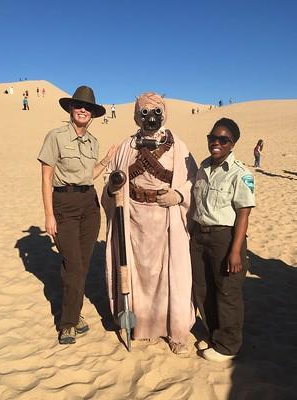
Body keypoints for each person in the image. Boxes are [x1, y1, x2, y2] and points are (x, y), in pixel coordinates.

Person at [102, 92, 197, 355]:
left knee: (171, 277)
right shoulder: (126, 146)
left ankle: (176, 332)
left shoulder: (178, 145)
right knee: (138, 276)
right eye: (145, 112)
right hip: (133, 220)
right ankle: (142, 326)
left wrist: (178, 195)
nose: (151, 117)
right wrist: (113, 188)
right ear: (136, 115)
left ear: (164, 114)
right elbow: (112, 180)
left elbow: (194, 180)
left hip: (167, 220)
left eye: (156, 112)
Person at [37, 86, 116, 345]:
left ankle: (74, 313)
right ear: (71, 109)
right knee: (73, 264)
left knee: (81, 263)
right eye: (78, 106)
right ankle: (68, 323)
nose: (83, 110)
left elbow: (88, 175)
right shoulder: (56, 136)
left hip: (89, 205)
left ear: (92, 113)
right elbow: (46, 178)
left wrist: (105, 160)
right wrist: (49, 215)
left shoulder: (93, 141)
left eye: (88, 107)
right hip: (64, 204)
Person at [190, 118, 255, 362]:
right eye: (212, 138)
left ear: (232, 143)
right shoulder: (203, 167)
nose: (216, 143)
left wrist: (235, 251)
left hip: (224, 238)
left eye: (223, 139)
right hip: (200, 235)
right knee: (202, 289)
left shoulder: (241, 174)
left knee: (227, 292)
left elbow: (244, 214)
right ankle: (214, 334)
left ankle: (228, 346)